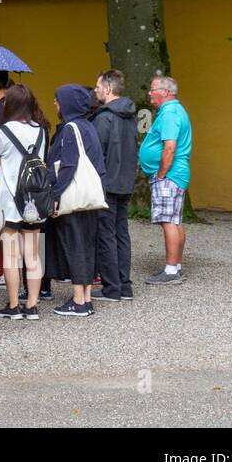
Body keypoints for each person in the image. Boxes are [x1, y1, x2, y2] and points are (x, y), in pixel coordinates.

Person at [48, 84, 108, 317]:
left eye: (58, 99)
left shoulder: (70, 129)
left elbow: (69, 166)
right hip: (89, 197)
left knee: (74, 245)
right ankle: (86, 297)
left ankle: (78, 300)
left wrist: (55, 196)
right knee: (86, 244)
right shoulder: (88, 126)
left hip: (73, 197)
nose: (55, 103)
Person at [0, 84, 49, 320]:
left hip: (9, 199)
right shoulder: (41, 131)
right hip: (35, 197)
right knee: (33, 252)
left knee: (11, 254)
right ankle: (32, 304)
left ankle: (14, 304)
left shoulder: (2, 132)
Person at [139, 75, 192, 284]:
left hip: (168, 175)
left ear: (165, 91)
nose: (150, 94)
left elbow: (170, 147)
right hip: (176, 174)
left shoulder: (170, 113)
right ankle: (176, 265)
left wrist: (161, 173)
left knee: (168, 221)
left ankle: (170, 271)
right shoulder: (174, 110)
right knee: (175, 221)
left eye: (153, 90)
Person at [91, 69, 138, 301]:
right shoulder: (130, 115)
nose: (96, 89)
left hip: (107, 183)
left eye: (98, 85)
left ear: (108, 88)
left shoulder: (104, 117)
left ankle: (111, 288)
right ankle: (124, 285)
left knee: (106, 235)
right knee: (121, 234)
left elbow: (97, 153)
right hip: (125, 181)